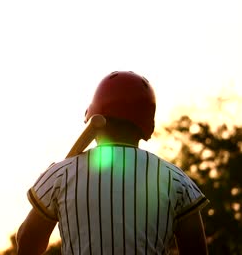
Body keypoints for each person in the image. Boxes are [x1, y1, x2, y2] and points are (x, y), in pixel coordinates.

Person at [16, 71, 209, 255]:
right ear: (146, 125)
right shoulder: (176, 179)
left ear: (94, 115)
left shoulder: (61, 173)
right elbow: (197, 251)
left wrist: (50, 182)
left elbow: (27, 243)